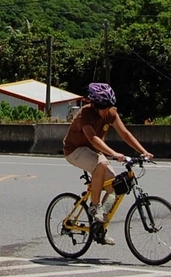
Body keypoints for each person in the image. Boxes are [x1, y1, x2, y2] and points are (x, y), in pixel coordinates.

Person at [62, 83, 152, 244]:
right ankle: (95, 206)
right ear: (94, 104)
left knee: (114, 188)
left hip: (93, 151)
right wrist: (114, 154)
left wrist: (143, 151)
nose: (106, 110)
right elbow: (93, 138)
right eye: (103, 107)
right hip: (75, 150)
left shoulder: (111, 113)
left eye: (109, 106)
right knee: (101, 165)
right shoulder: (85, 114)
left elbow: (124, 133)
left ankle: (99, 229)